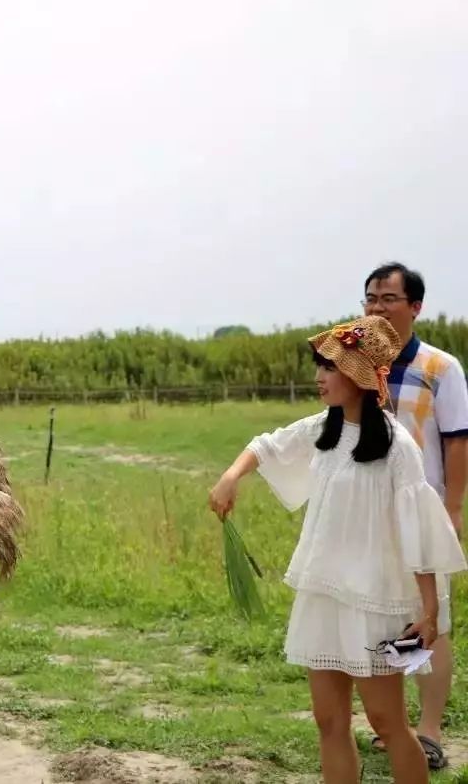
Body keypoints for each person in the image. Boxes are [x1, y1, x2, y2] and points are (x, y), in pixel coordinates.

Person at [208, 315, 466, 784]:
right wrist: (230, 478)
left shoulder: (396, 447)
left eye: (330, 368)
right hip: (323, 596)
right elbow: (266, 446)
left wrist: (430, 614)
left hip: (375, 603)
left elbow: (419, 534)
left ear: (360, 377)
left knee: (389, 725)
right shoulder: (323, 430)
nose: (320, 378)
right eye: (320, 367)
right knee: (330, 723)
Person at [362, 262, 468, 769]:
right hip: (369, 512)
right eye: (371, 298)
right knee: (384, 612)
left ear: (415, 307)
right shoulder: (358, 363)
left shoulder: (440, 367)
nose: (377, 307)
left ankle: (428, 730)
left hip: (423, 510)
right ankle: (393, 726)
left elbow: (458, 441)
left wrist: (452, 509)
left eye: (388, 298)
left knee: (429, 618)